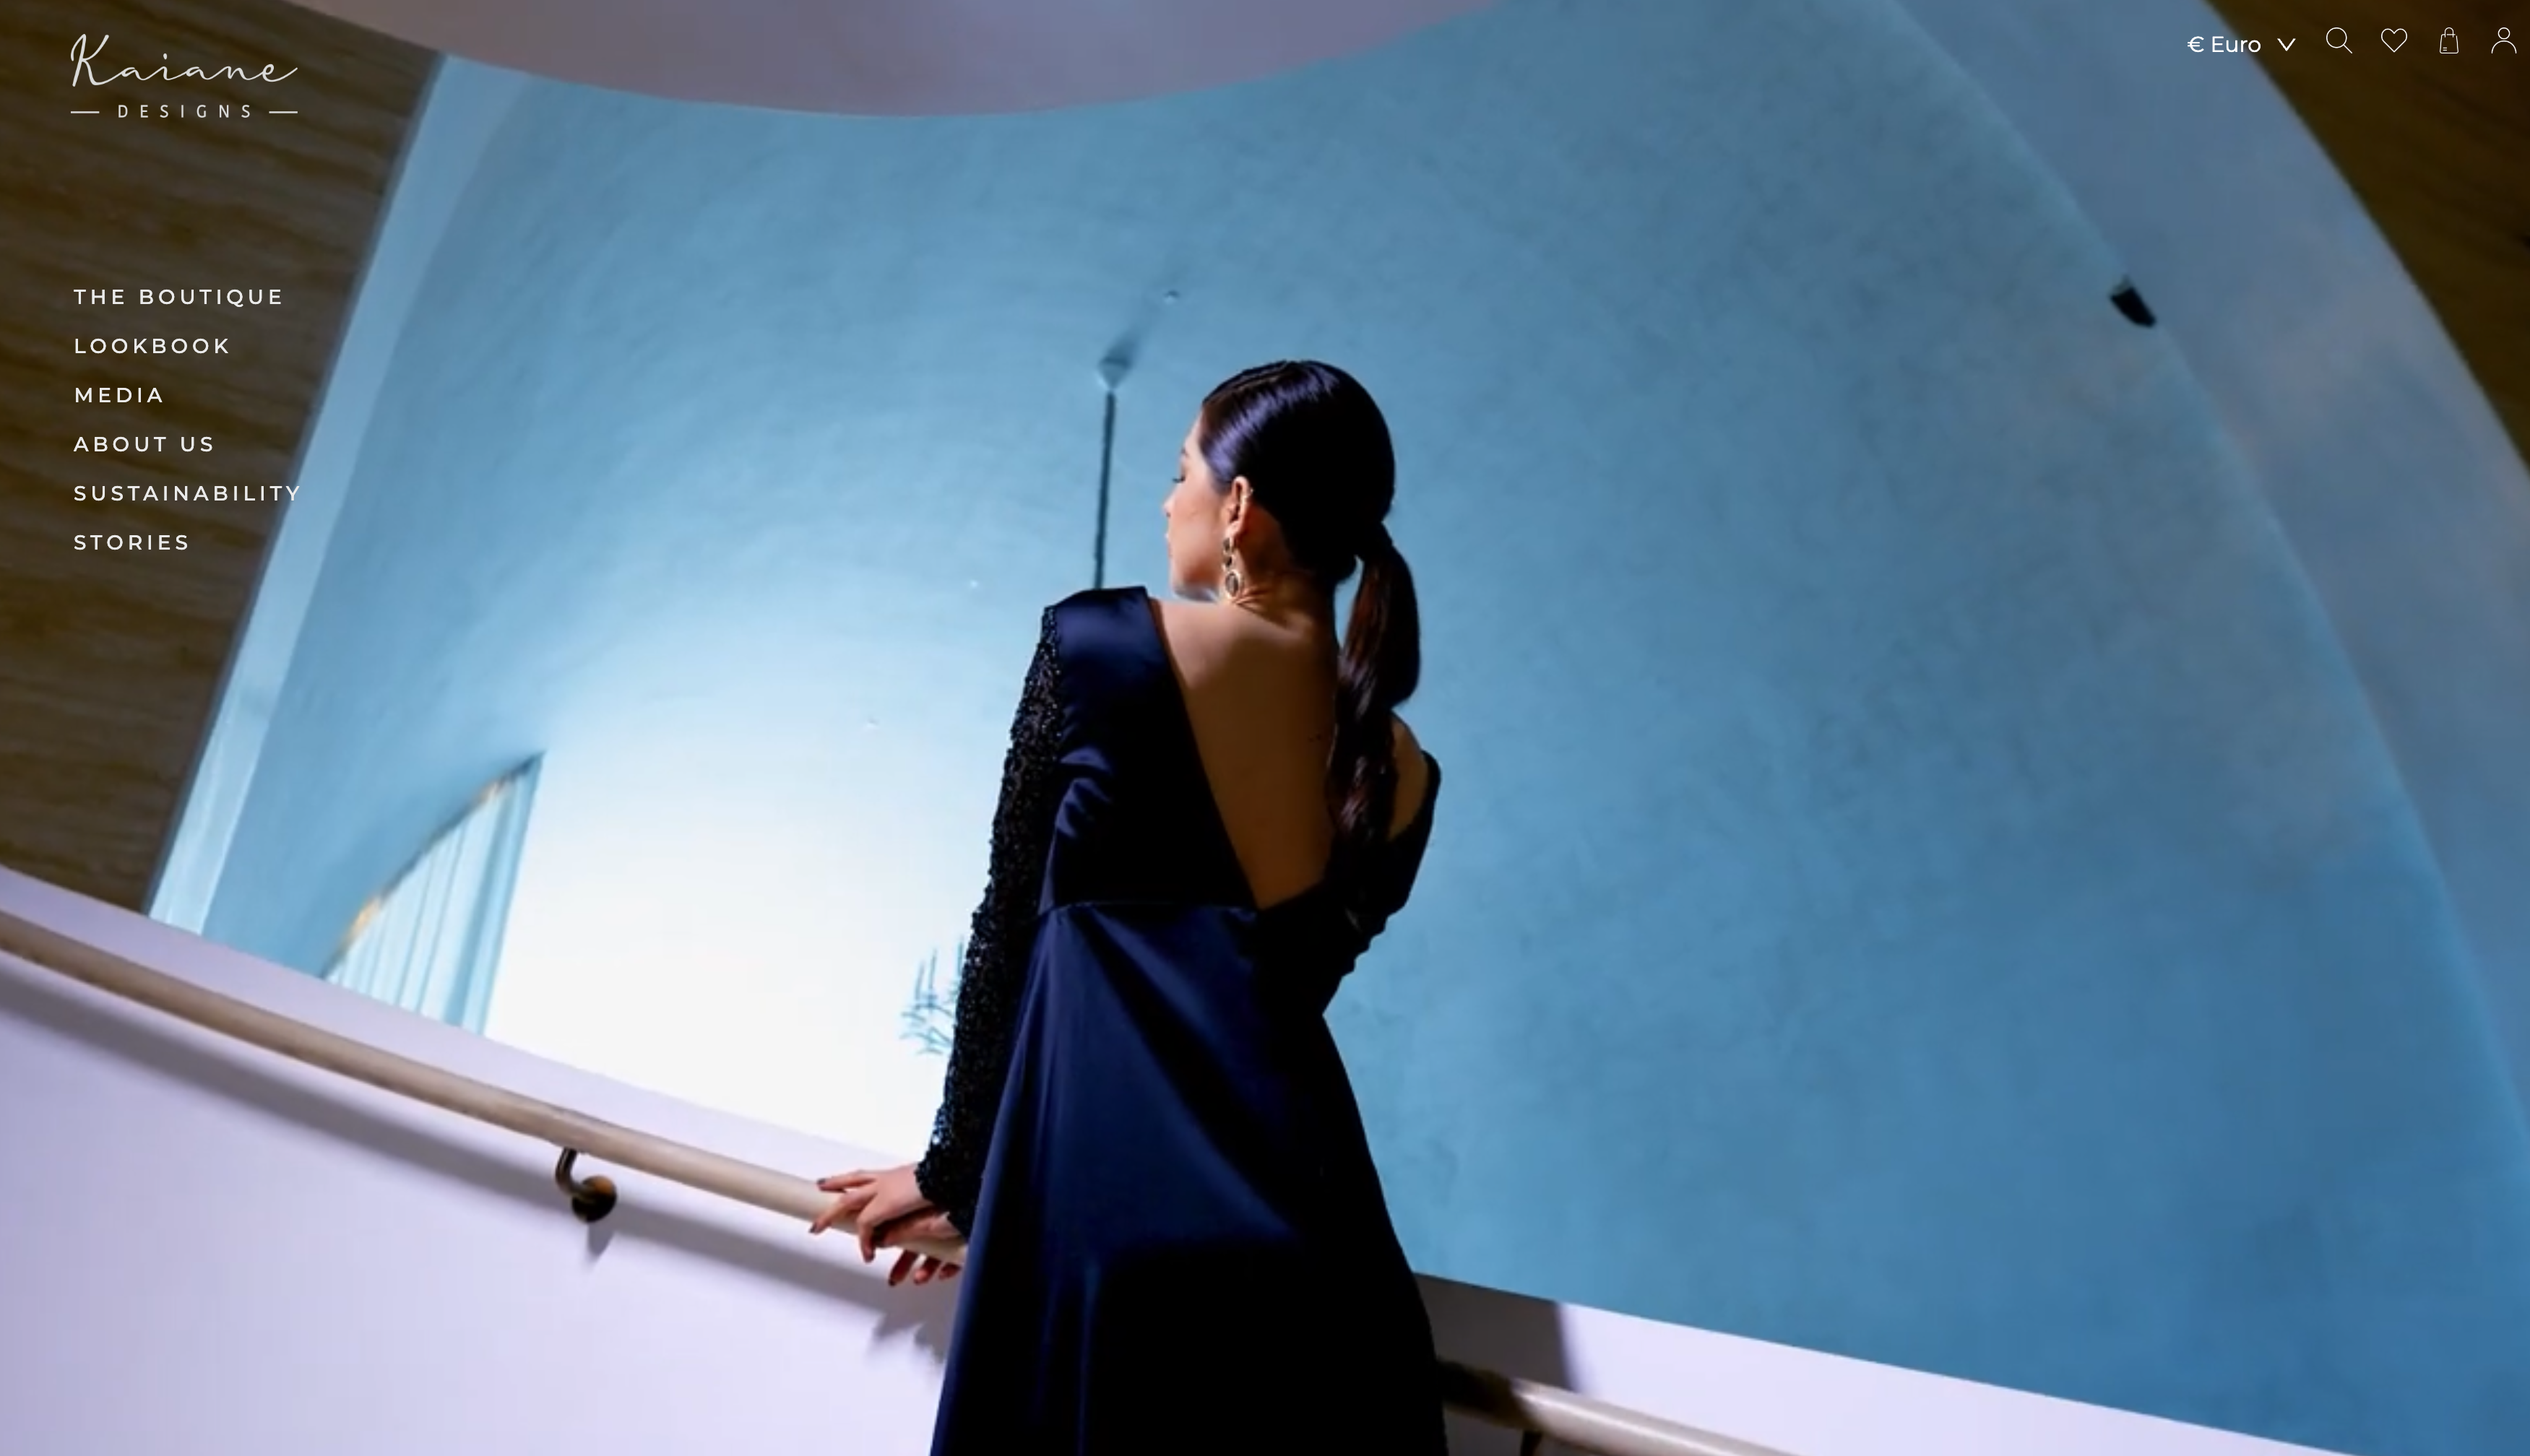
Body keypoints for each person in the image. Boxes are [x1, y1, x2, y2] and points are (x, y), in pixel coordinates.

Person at [811, 360, 1449, 1453]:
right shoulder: (1406, 774)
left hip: (1104, 1247)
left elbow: (1006, 927)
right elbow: (1274, 1007)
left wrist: (964, 1175)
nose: (1168, 501)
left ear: (1237, 506)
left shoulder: (1101, 649)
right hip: (1326, 1274)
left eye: (1181, 472)